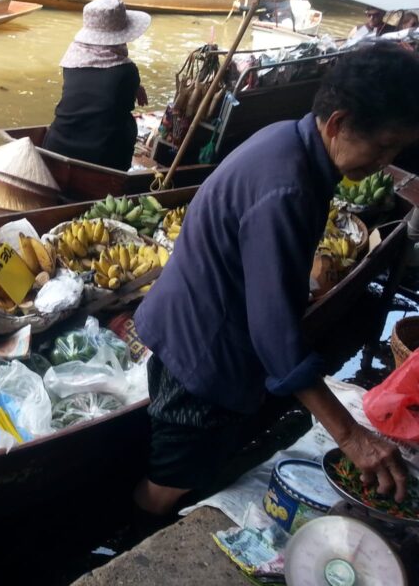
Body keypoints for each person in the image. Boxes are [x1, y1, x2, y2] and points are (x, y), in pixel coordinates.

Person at [132, 42, 419, 519]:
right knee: (171, 479)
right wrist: (351, 437)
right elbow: (276, 338)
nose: (386, 160)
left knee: (188, 458)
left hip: (187, 325)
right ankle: (133, 535)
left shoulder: (288, 138)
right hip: (204, 354)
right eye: (384, 145)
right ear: (338, 123)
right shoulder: (288, 188)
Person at [43, 0, 151, 171]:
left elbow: (94, 86)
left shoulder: (72, 61)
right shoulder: (127, 71)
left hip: (56, 144)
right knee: (127, 124)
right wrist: (134, 86)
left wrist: (135, 86)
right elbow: (113, 96)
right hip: (101, 156)